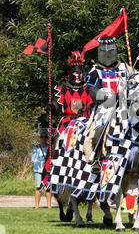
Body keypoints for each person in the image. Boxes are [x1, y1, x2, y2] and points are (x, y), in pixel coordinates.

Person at [84, 36, 131, 173]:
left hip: (125, 105)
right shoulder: (94, 70)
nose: (108, 55)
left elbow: (135, 83)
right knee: (100, 127)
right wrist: (110, 96)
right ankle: (97, 159)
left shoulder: (125, 68)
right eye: (104, 52)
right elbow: (92, 92)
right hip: (104, 107)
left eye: (110, 51)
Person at [43, 51, 94, 173]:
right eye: (76, 73)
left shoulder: (88, 89)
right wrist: (51, 106)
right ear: (70, 73)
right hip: (68, 122)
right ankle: (52, 166)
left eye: (80, 73)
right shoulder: (63, 88)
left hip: (85, 123)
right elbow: (56, 103)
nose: (78, 75)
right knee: (56, 141)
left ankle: (94, 166)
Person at [31, 131, 51, 208]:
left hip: (47, 170)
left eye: (45, 137)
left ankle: (49, 206)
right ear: (39, 138)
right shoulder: (36, 148)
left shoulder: (50, 148)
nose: (43, 138)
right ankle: (37, 206)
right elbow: (33, 159)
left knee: (48, 187)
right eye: (42, 137)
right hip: (38, 170)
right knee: (38, 187)